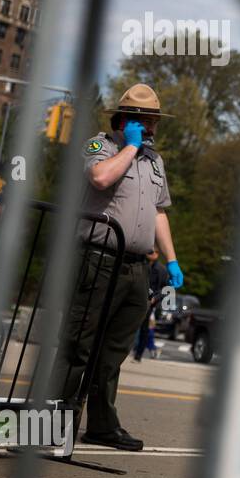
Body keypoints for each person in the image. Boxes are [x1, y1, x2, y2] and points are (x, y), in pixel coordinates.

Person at [53, 84, 184, 452]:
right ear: (128, 120)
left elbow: (159, 212)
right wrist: (129, 146)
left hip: (136, 267)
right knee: (78, 345)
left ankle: (101, 424)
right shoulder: (101, 147)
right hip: (99, 260)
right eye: (147, 120)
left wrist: (171, 259)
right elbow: (100, 178)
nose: (153, 128)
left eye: (154, 121)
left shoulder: (155, 162)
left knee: (113, 352)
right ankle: (52, 421)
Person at [132, 249, 168, 362]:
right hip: (135, 298)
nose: (150, 253)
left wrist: (155, 298)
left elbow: (165, 289)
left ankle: (138, 355)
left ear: (157, 254)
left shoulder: (161, 270)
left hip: (149, 303)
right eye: (149, 251)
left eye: (153, 252)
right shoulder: (139, 263)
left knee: (144, 329)